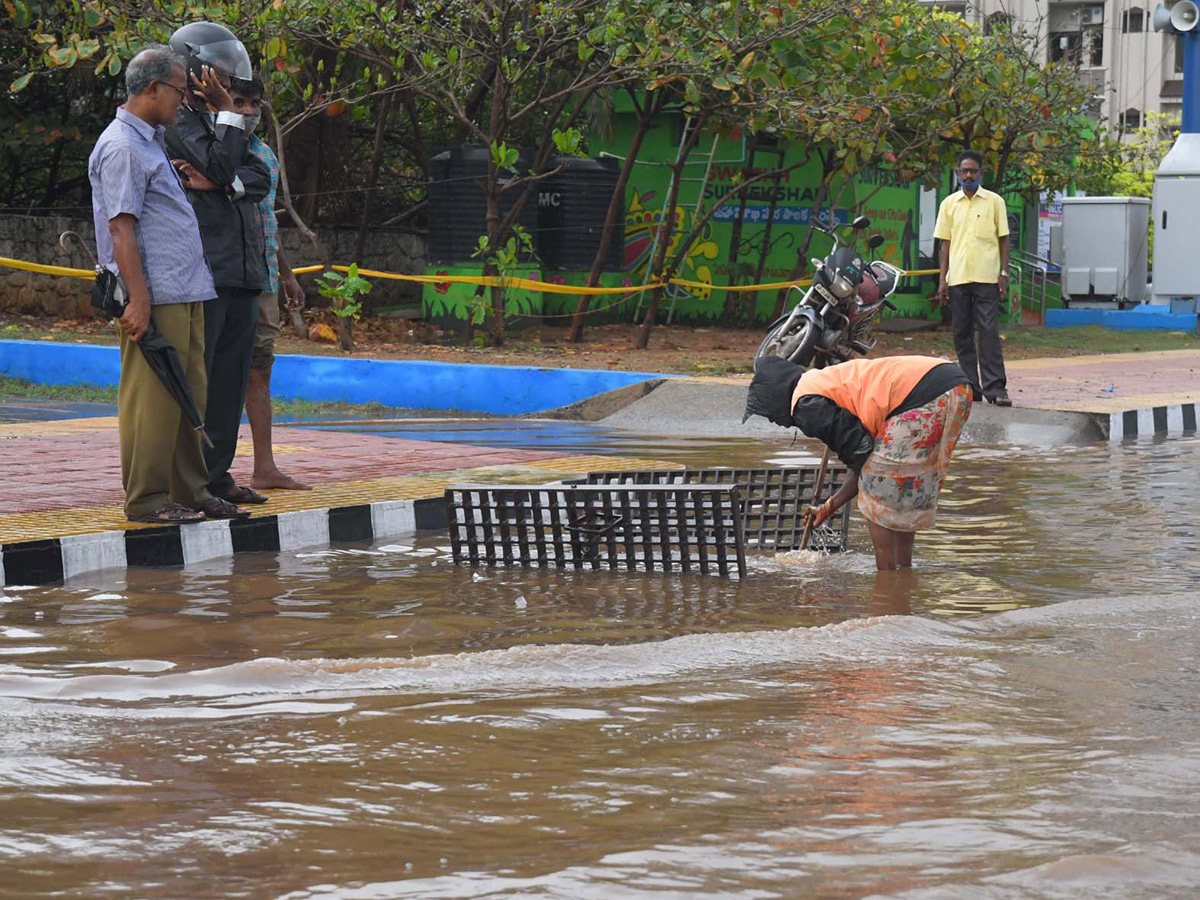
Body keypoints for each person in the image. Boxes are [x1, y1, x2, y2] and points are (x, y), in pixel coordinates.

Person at [87, 45, 248, 524]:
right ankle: (146, 498)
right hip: (154, 295)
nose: (184, 100)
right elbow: (121, 227)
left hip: (185, 288)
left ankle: (192, 490)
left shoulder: (150, 141)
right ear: (153, 89)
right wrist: (137, 297)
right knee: (153, 397)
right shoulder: (121, 146)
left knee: (188, 394)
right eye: (179, 91)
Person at [165, 21, 273, 507]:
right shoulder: (183, 120)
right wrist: (225, 166)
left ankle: (219, 473)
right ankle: (191, 481)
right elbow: (228, 164)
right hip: (207, 272)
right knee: (203, 381)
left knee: (230, 381)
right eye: (219, 69)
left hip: (245, 274)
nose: (228, 80)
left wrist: (220, 183)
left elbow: (257, 176)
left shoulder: (223, 123)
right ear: (193, 70)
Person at [744, 354, 972, 570]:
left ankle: (886, 580)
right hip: (956, 388)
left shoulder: (805, 405)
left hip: (922, 398)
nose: (777, 422)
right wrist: (828, 507)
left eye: (770, 414)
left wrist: (834, 501)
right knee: (901, 495)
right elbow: (861, 457)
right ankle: (903, 575)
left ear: (776, 399)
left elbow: (861, 454)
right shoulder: (819, 381)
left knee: (876, 494)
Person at [236, 75, 312, 491]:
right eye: (238, 101)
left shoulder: (265, 154)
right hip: (229, 281)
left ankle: (264, 467)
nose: (248, 111)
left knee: (260, 370)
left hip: (264, 277)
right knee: (222, 372)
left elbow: (268, 221)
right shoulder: (213, 150)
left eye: (254, 104)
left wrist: (287, 275)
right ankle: (206, 472)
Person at [933, 149, 1012, 407]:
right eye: (964, 171)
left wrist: (1004, 272)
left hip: (987, 277)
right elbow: (945, 245)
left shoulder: (994, 202)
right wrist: (942, 279)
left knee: (988, 331)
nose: (968, 175)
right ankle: (971, 387)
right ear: (958, 173)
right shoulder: (948, 204)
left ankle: (996, 388)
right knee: (962, 333)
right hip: (958, 278)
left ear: (981, 173)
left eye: (973, 171)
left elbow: (1004, 238)